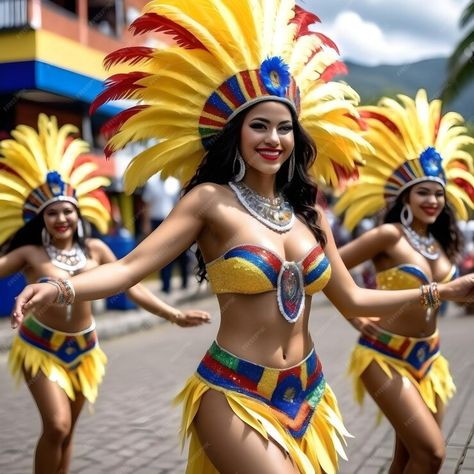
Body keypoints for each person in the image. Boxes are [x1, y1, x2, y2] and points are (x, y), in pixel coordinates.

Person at [12, 3, 474, 473]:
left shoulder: (309, 213)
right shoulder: (210, 201)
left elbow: (352, 298)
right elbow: (130, 268)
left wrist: (443, 291)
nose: (273, 137)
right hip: (234, 392)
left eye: (284, 126)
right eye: (259, 125)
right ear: (235, 133)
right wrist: (61, 286)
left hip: (308, 392)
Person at [1, 115, 210, 474]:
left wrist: (173, 315)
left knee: (68, 434)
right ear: (42, 220)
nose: (61, 218)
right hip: (40, 348)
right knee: (57, 425)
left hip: (84, 350)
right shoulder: (30, 254)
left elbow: (133, 285)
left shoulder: (97, 250)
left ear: (78, 214)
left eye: (67, 210)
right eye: (52, 213)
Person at [334, 89, 474, 473]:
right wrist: (353, 314)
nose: (432, 200)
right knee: (432, 454)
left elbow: (455, 298)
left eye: (438, 194)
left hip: (430, 358)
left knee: (408, 458)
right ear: (406, 198)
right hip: (383, 355)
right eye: (423, 192)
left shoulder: (440, 245)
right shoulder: (389, 236)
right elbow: (327, 268)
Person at [141, 172, 190, 293]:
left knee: (181, 252)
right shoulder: (152, 183)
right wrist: (146, 224)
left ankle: (185, 283)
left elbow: (180, 203)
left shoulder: (174, 183)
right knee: (162, 254)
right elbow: (146, 205)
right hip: (156, 221)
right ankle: (166, 286)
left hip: (173, 220)